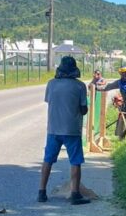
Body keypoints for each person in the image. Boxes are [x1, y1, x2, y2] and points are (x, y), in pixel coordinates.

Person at [38, 56, 91, 205]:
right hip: (72, 129)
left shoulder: (51, 84)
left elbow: (49, 101)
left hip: (53, 129)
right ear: (75, 70)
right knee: (75, 161)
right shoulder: (80, 86)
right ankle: (75, 194)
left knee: (48, 159)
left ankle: (41, 192)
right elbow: (84, 110)